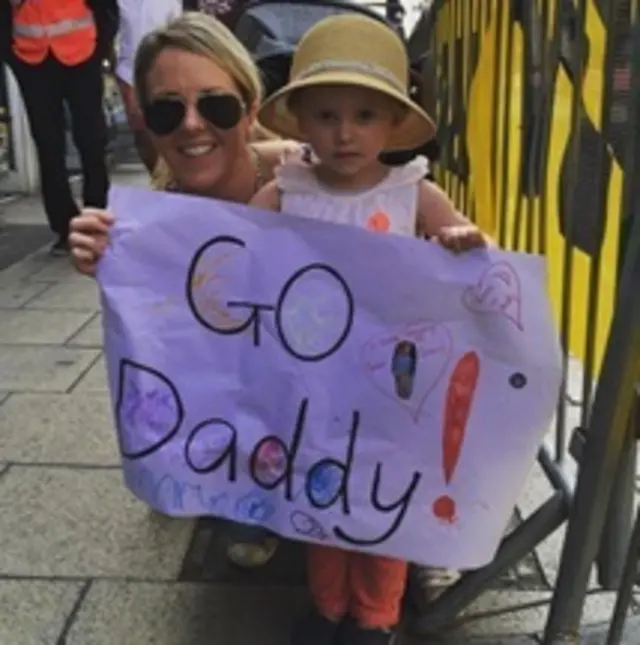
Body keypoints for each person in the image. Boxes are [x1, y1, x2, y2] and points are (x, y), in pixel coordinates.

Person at [249, 14, 487, 645]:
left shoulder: (411, 190)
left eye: (363, 116)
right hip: (312, 382)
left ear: (392, 125)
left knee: (386, 498)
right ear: (301, 121)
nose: (345, 133)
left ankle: (377, 615)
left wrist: (460, 239)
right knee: (322, 497)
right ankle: (328, 606)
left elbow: (468, 240)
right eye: (326, 115)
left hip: (394, 385)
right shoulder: (286, 190)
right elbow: (232, 248)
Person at [68, 11, 298, 569]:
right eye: (168, 109)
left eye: (215, 105)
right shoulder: (151, 223)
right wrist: (102, 255)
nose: (192, 125)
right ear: (145, 120)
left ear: (249, 110)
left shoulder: (308, 175)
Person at [0, 0, 119, 255]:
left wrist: (102, 43)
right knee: (47, 144)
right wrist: (9, 53)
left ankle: (96, 215)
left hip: (82, 49)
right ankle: (64, 227)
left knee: (91, 140)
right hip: (31, 56)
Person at [115, 0, 182, 172]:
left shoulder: (169, 3)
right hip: (128, 72)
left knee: (163, 126)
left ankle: (169, 174)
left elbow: (177, 35)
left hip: (161, 71)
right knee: (141, 130)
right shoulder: (119, 4)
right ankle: (155, 173)